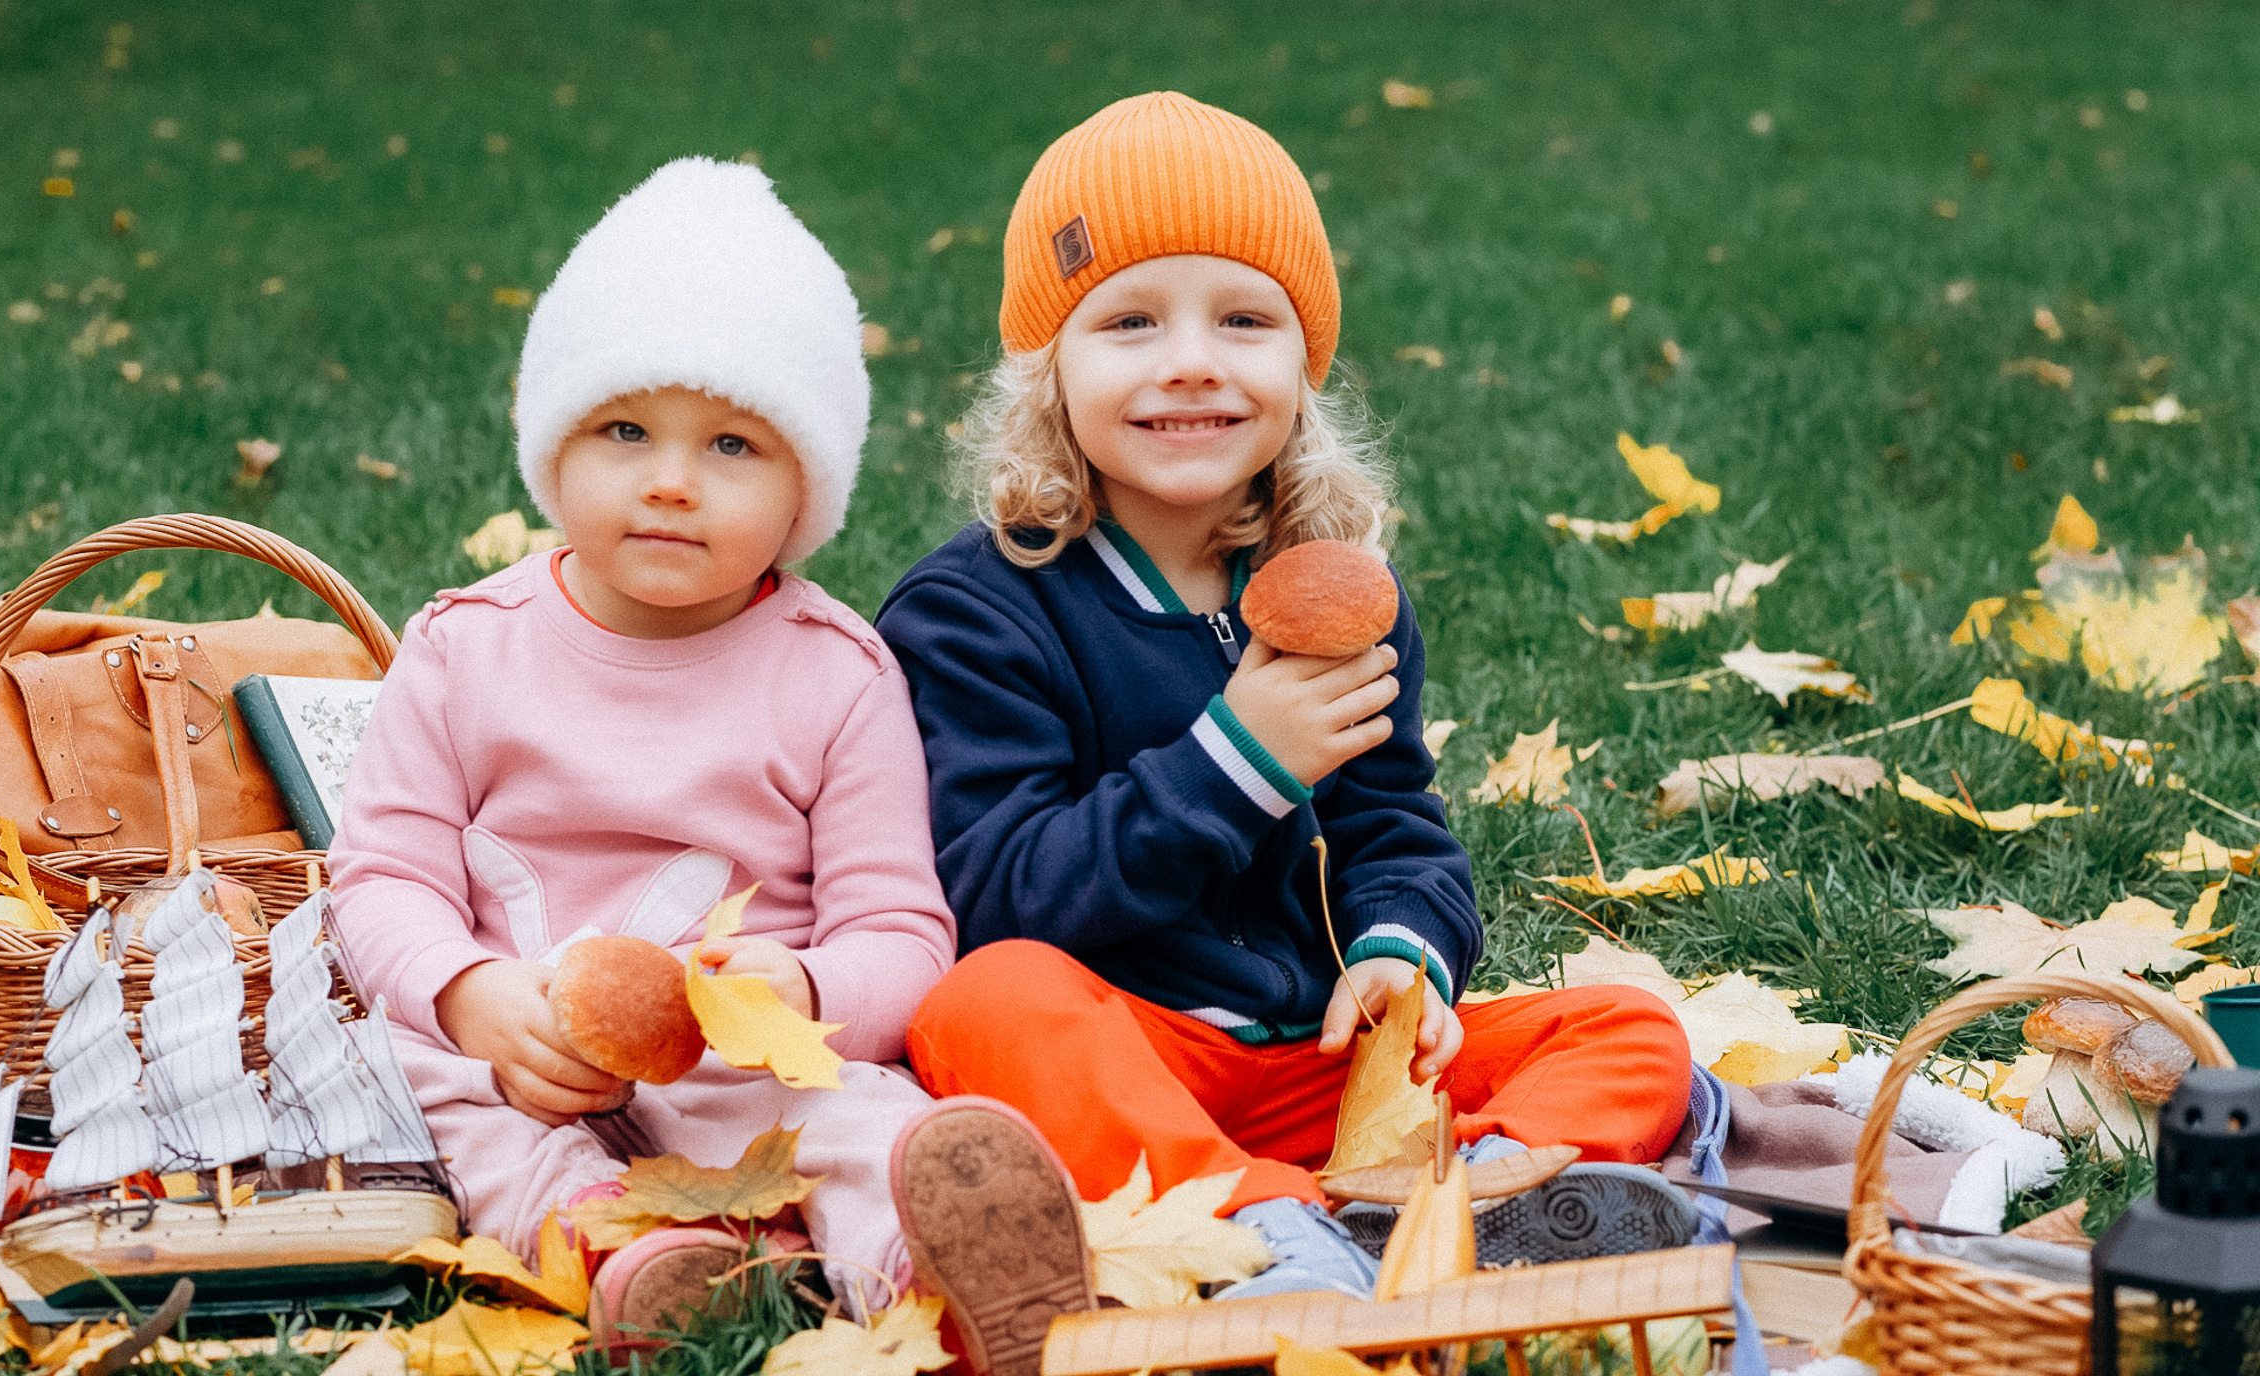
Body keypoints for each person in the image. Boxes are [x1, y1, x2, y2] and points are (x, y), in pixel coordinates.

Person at [877, 92, 1699, 1371]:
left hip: (1325, 1062)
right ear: (1047, 369)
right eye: (1131, 321)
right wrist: (1237, 763)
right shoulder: (979, 610)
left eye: (1244, 320)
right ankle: (1266, 1233)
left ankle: (1466, 1206)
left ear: (1304, 365)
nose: (1192, 361)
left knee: (1628, 1028)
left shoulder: (1341, 593)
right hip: (1133, 1057)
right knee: (986, 1005)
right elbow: (994, 892)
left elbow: (1396, 826)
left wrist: (1403, 955)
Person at [328, 158, 958, 1335]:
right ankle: (618, 1242)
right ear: (552, 447)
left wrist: (805, 988)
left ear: (808, 487)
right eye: (625, 430)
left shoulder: (838, 674)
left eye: (733, 445)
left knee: (856, 1114)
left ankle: (924, 1249)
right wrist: (468, 993)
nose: (671, 482)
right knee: (403, 1075)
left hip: (741, 1068)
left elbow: (903, 934)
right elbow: (381, 879)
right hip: (516, 1060)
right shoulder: (464, 648)